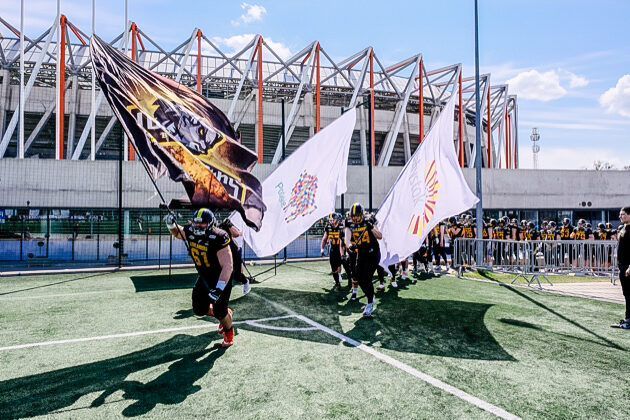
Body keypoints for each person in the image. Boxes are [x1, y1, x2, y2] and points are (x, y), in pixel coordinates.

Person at [166, 209, 235, 347]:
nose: (197, 226)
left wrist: (219, 288)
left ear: (210, 223)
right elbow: (177, 232)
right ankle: (225, 313)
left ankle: (229, 332)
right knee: (199, 309)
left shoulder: (219, 236)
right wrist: (170, 224)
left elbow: (228, 266)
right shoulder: (190, 231)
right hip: (204, 276)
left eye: (202, 223)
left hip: (221, 277)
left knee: (219, 311)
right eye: (196, 223)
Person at [344, 203, 383, 317]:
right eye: (353, 216)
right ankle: (371, 297)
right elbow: (347, 239)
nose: (355, 218)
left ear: (361, 214)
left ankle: (370, 303)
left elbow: (379, 236)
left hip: (373, 252)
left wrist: (371, 227)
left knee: (366, 277)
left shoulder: (369, 220)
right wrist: (350, 246)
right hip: (361, 253)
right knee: (357, 277)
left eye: (357, 215)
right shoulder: (348, 222)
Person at [219, 217, 251, 295]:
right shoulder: (214, 228)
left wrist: (229, 226)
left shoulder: (226, 225)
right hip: (223, 252)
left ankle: (246, 282)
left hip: (234, 251)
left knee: (237, 276)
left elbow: (237, 234)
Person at [612, 207, 630, 329]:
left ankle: (628, 320)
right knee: (627, 294)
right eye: (619, 214)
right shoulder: (624, 228)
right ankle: (628, 319)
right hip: (623, 266)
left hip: (628, 267)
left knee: (629, 294)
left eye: (622, 214)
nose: (620, 216)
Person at [321, 213, 344, 290]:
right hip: (333, 249)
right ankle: (337, 282)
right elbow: (324, 239)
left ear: (337, 219)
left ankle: (350, 281)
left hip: (343, 248)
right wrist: (322, 249)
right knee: (333, 267)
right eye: (330, 220)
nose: (331, 221)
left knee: (346, 266)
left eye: (333, 220)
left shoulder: (342, 227)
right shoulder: (328, 227)